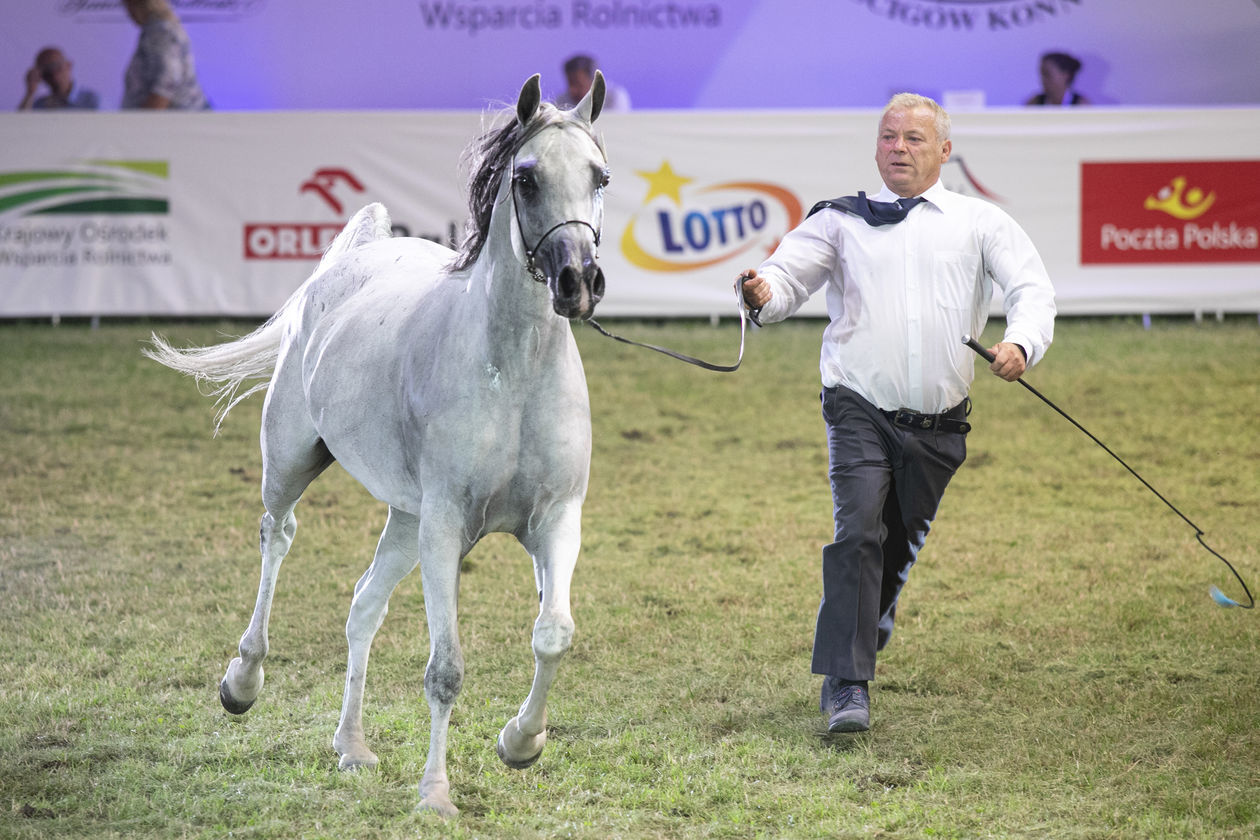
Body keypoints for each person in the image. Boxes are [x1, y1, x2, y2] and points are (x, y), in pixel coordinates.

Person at [739, 93, 1056, 733]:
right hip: (857, 407)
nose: (898, 149)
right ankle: (846, 685)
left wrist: (1022, 343)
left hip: (939, 425)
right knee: (858, 533)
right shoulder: (839, 219)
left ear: (944, 150)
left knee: (895, 545)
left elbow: (1031, 288)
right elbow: (785, 278)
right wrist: (761, 291)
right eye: (888, 137)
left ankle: (866, 620)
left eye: (913, 139)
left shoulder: (980, 223)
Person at [121, 0, 210, 109]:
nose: (129, 13)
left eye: (129, 6)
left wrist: (145, 121)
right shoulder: (155, 30)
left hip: (176, 120)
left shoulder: (161, 31)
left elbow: (166, 83)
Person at [17, 47, 100, 111]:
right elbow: (20, 126)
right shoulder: (41, 104)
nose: (53, 74)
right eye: (47, 71)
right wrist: (30, 93)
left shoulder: (92, 100)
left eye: (57, 66)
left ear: (68, 65)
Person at [555, 54, 630, 112]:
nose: (572, 90)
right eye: (570, 84)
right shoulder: (561, 101)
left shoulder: (614, 97)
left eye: (579, 84)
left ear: (596, 82)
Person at [1025, 52, 1090, 106]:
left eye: (1047, 74)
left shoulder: (1081, 105)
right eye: (1042, 74)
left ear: (1065, 75)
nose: (1042, 80)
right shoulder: (1034, 103)